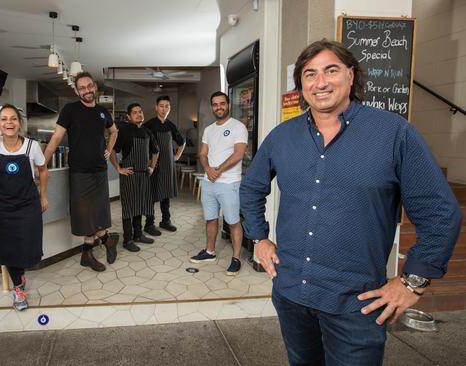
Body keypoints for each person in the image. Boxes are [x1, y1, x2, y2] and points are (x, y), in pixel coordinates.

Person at [240, 39, 462, 365]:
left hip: (356, 305)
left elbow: (440, 212)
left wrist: (412, 281)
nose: (321, 82)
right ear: (301, 85)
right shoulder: (282, 137)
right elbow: (251, 187)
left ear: (351, 75)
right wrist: (259, 237)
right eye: (310, 74)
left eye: (331, 70)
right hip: (291, 294)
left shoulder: (394, 133)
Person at [44, 72, 119, 272]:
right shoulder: (70, 110)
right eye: (82, 88)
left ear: (94, 87)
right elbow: (56, 138)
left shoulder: (103, 112)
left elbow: (114, 131)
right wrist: (43, 162)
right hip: (79, 172)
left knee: (100, 213)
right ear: (77, 91)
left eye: (89, 86)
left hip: (100, 171)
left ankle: (88, 254)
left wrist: (109, 149)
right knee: (85, 215)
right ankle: (107, 240)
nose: (87, 90)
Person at [0, 104, 48, 311]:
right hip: (3, 205)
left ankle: (20, 275)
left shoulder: (32, 146)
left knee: (27, 244)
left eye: (13, 119)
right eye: (4, 119)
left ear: (19, 123)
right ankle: (19, 288)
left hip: (27, 203)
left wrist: (43, 196)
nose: (9, 123)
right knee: (8, 247)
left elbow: (43, 170)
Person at [190, 92, 247, 276]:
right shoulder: (208, 129)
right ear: (212, 107)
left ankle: (236, 259)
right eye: (215, 104)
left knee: (233, 222)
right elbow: (203, 153)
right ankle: (209, 252)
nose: (219, 107)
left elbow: (238, 154)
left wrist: (218, 170)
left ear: (228, 105)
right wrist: (207, 168)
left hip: (229, 183)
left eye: (222, 103)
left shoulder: (238, 127)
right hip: (209, 182)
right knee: (211, 219)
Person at [110, 103, 159, 252]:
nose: (138, 114)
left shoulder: (147, 132)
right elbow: (111, 150)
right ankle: (128, 239)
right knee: (129, 208)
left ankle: (138, 235)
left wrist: (151, 167)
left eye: (140, 111)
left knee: (140, 205)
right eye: (135, 112)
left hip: (143, 175)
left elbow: (156, 151)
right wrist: (119, 168)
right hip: (129, 175)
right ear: (129, 116)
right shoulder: (124, 131)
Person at [143, 95, 186, 236]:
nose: (163, 109)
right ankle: (149, 224)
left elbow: (182, 141)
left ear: (169, 108)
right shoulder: (148, 125)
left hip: (168, 165)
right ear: (156, 107)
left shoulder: (171, 125)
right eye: (161, 106)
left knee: (165, 193)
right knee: (152, 194)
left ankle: (165, 221)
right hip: (153, 164)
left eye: (166, 106)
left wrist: (177, 156)